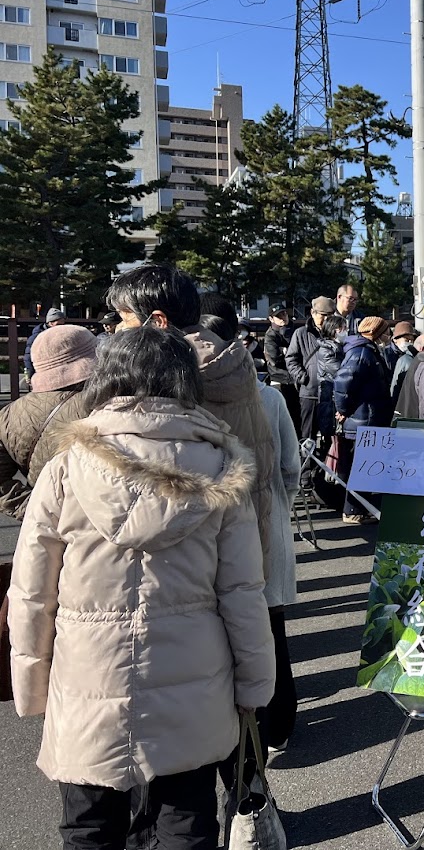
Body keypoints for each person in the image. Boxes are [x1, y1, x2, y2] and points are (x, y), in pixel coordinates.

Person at [7, 325, 275, 850]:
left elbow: (32, 591)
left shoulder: (64, 469)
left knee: (88, 826)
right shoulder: (224, 469)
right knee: (186, 824)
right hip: (194, 680)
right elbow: (244, 593)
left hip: (87, 675)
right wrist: (254, 689)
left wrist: (31, 684)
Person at [106, 268, 275, 574]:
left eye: (124, 317)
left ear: (157, 321)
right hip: (239, 536)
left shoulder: (171, 374)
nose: (119, 329)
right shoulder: (228, 358)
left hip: (185, 549)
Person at [200, 314, 299, 757]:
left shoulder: (189, 398)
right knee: (271, 631)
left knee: (224, 637)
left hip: (214, 536)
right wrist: (282, 507)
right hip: (269, 522)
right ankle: (279, 726)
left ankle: (238, 737)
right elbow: (290, 467)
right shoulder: (270, 396)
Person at [0, 325, 97, 519]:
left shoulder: (9, 414)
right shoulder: (104, 406)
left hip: (43, 527)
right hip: (98, 523)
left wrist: (34, 508)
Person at [333, 316, 393, 524]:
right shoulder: (361, 353)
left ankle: (359, 508)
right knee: (362, 466)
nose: (388, 335)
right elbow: (344, 383)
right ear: (375, 333)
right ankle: (353, 510)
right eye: (385, 331)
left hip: (368, 417)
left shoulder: (369, 351)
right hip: (363, 418)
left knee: (364, 465)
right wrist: (343, 409)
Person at [285, 297, 335, 441]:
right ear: (313, 313)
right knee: (308, 436)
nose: (326, 319)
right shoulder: (301, 333)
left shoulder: (335, 334)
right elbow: (291, 359)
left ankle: (326, 463)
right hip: (309, 393)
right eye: (323, 315)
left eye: (330, 315)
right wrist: (304, 378)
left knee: (329, 437)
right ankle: (307, 463)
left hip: (331, 393)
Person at [263, 305, 299, 429]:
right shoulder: (270, 335)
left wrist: (286, 351)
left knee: (296, 416)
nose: (283, 318)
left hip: (296, 378)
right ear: (271, 319)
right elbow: (274, 359)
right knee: (281, 416)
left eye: (284, 314)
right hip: (279, 379)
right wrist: (291, 353)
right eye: (279, 316)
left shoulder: (295, 330)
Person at [316, 314, 348, 440]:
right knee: (332, 440)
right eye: (343, 328)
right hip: (331, 399)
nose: (346, 332)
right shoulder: (326, 350)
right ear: (335, 330)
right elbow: (341, 372)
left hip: (335, 398)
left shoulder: (340, 348)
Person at [24, 308, 67, 381]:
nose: (60, 327)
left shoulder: (63, 334)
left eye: (62, 325)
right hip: (41, 370)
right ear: (50, 323)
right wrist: (30, 373)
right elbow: (28, 355)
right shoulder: (37, 336)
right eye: (58, 324)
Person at [389, 321, 419, 403]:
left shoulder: (412, 354)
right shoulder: (386, 354)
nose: (409, 342)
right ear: (395, 339)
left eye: (412, 340)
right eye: (407, 339)